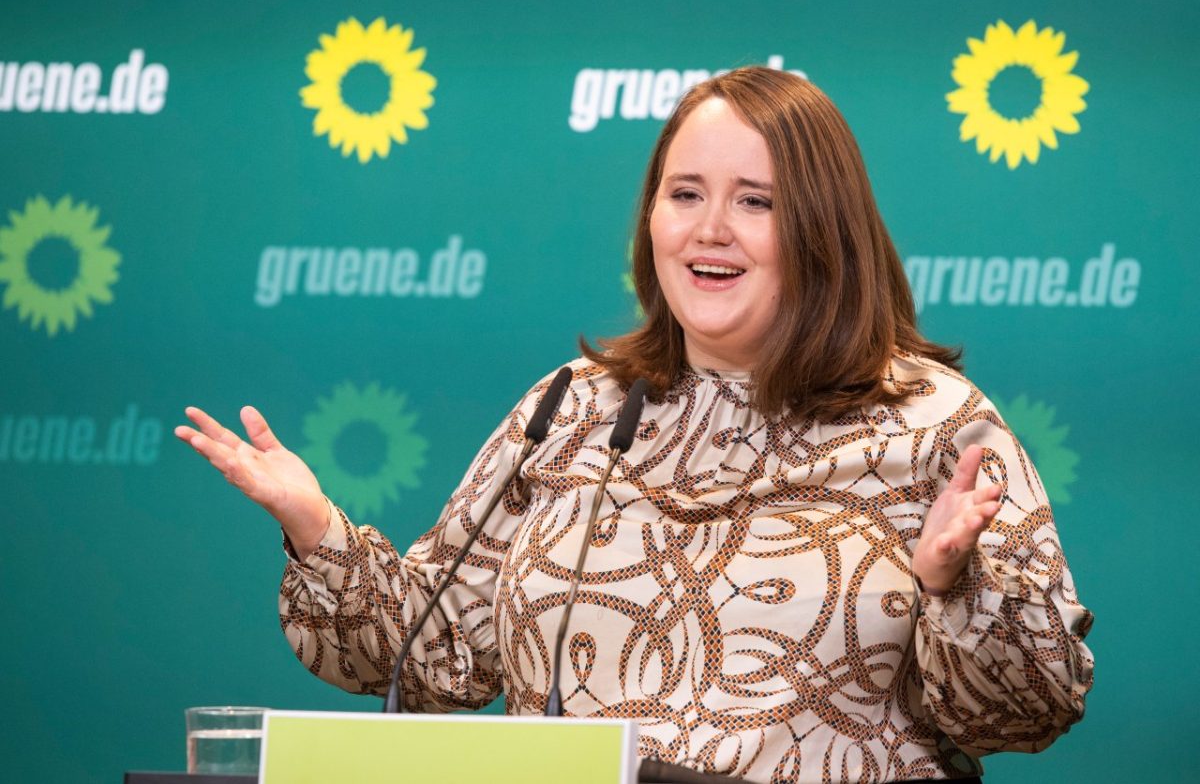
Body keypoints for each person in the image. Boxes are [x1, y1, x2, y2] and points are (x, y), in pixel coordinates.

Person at [175, 67, 1094, 783]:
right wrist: (314, 526)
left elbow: (1029, 710)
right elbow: (433, 658)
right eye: (685, 194)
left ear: (823, 229)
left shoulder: (933, 424)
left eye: (756, 201)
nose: (710, 230)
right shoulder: (571, 406)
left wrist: (950, 585)